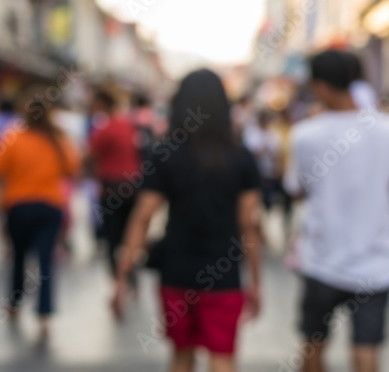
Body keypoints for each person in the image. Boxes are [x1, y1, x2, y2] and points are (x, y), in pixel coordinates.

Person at [113, 69, 262, 372]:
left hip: (176, 271)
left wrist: (121, 276)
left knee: (181, 356)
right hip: (224, 274)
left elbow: (142, 218)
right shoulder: (241, 157)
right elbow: (248, 225)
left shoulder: (164, 154)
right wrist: (256, 281)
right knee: (222, 358)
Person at [284, 50, 389, 372]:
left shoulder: (306, 135)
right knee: (367, 348)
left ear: (321, 86)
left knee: (313, 342)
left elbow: (298, 190)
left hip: (322, 259)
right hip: (376, 262)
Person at [0, 89, 80, 336]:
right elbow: (72, 169)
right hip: (50, 206)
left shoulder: (13, 138)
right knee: (45, 260)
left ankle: (14, 303)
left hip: (18, 206)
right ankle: (44, 314)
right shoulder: (59, 140)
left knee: (19, 257)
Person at [89, 90, 140, 281]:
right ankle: (131, 275)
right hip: (131, 186)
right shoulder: (128, 126)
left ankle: (117, 278)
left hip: (111, 187)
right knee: (129, 234)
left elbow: (91, 154)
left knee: (112, 236)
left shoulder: (105, 129)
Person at [243, 110, 279, 210]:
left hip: (269, 172)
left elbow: (275, 152)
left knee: (271, 198)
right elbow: (250, 152)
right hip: (257, 171)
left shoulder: (272, 132)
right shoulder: (251, 132)